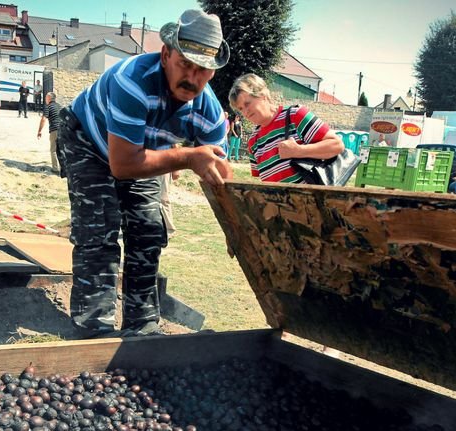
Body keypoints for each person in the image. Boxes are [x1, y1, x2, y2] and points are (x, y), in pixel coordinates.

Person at [58, 8, 232, 338]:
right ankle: (94, 330)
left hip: (141, 151)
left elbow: (220, 174)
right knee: (99, 231)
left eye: (204, 71)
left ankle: (142, 326)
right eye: (186, 65)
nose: (192, 79)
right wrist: (187, 156)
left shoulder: (208, 111)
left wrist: (235, 229)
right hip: (89, 141)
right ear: (166, 54)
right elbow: (122, 166)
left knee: (149, 230)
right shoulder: (133, 81)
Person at [229, 72, 343, 183]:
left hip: (312, 200)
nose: (245, 112)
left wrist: (298, 151)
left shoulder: (295, 115)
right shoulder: (253, 142)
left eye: (247, 104)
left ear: (262, 95)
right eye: (241, 109)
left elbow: (337, 145)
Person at [37, 91, 62, 174]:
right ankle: (64, 168)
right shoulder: (59, 106)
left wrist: (39, 131)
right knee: (61, 150)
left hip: (54, 129)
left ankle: (55, 169)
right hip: (63, 129)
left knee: (53, 150)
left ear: (49, 98)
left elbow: (43, 119)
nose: (45, 99)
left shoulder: (48, 106)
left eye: (46, 97)